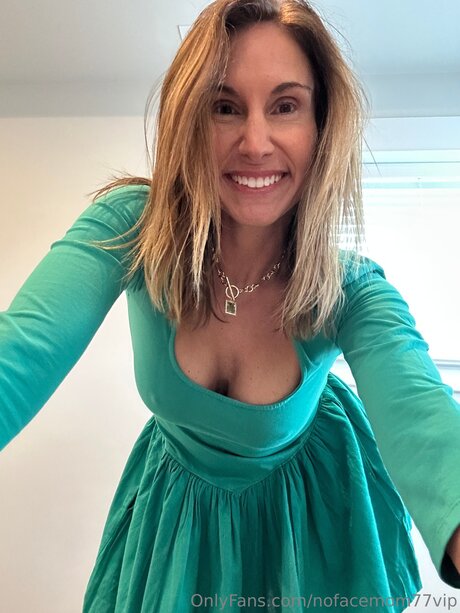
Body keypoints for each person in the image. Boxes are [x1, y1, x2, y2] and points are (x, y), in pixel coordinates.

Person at [1, 0, 459, 610]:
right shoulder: (133, 228)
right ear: (190, 118)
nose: (255, 142)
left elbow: (420, 410)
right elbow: (22, 350)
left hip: (309, 532)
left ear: (321, 125)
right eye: (225, 107)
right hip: (173, 527)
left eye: (286, 106)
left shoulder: (348, 287)